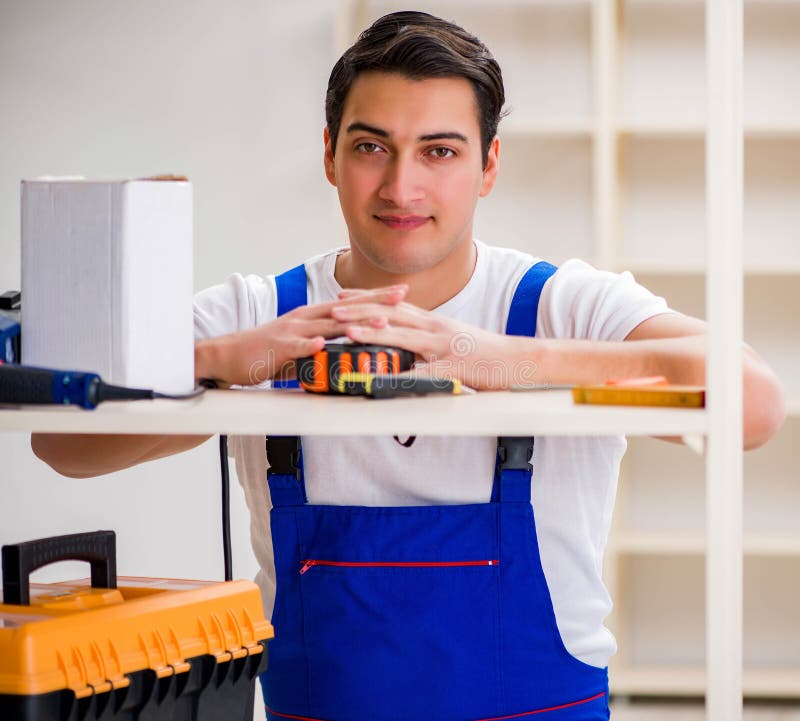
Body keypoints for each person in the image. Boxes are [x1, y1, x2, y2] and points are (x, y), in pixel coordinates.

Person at [33, 11, 785, 721]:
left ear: (488, 164)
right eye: (371, 147)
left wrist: (493, 359)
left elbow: (752, 403)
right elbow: (63, 444)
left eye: (439, 150)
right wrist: (222, 365)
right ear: (329, 154)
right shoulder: (257, 311)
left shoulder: (560, 303)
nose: (401, 187)